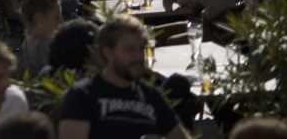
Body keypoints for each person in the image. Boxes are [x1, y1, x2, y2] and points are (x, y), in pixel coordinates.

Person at [58, 15, 190, 139]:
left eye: (141, 49)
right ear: (107, 52)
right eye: (130, 49)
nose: (138, 56)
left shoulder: (151, 96)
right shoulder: (83, 95)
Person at [16, 0, 62, 77]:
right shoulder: (46, 45)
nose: (60, 22)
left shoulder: (28, 39)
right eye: (56, 18)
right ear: (39, 18)